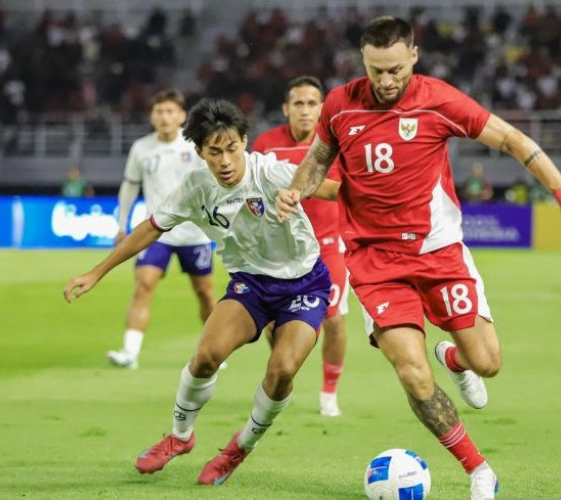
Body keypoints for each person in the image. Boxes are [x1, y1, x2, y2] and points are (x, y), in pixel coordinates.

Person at [276, 17, 561, 500]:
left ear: (414, 56)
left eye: (395, 69)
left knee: (487, 363)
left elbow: (513, 139)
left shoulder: (440, 100)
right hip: (374, 261)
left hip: (438, 252)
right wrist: (295, 191)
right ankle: (479, 469)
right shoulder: (341, 105)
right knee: (411, 371)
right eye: (375, 70)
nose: (386, 80)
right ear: (363, 61)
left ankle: (454, 357)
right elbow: (318, 160)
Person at [64, 98, 340, 485]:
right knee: (206, 356)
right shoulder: (195, 187)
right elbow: (150, 228)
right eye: (214, 151)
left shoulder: (270, 172)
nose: (225, 160)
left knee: (281, 370)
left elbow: (333, 190)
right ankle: (180, 437)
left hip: (305, 283)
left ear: (244, 142)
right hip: (251, 283)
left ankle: (239, 448)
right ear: (199, 151)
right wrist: (98, 272)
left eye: (231, 148)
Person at [252, 76, 349, 417]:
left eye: (311, 104)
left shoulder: (336, 143)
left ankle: (329, 393)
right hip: (280, 249)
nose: (305, 110)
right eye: (298, 103)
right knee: (272, 324)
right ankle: (285, 376)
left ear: (321, 108)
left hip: (328, 247)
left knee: (334, 321)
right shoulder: (266, 144)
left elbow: (350, 189)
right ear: (286, 108)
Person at [108, 90, 216, 370]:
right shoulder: (141, 148)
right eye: (159, 112)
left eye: (170, 111)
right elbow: (129, 186)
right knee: (143, 286)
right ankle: (130, 352)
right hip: (156, 232)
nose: (164, 117)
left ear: (181, 116)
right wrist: (121, 225)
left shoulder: (196, 145)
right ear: (152, 116)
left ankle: (216, 350)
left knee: (205, 292)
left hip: (194, 233)